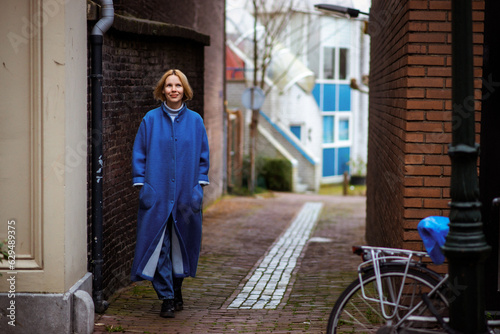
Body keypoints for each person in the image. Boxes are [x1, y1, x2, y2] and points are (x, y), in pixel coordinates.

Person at [130, 69, 210, 318]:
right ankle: (166, 297)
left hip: (187, 194)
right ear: (162, 90)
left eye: (178, 85)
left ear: (184, 90)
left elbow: (203, 157)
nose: (173, 89)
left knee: (181, 244)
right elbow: (139, 153)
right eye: (168, 85)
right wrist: (143, 184)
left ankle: (176, 288)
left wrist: (198, 187)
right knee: (159, 246)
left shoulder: (196, 121)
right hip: (158, 194)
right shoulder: (150, 120)